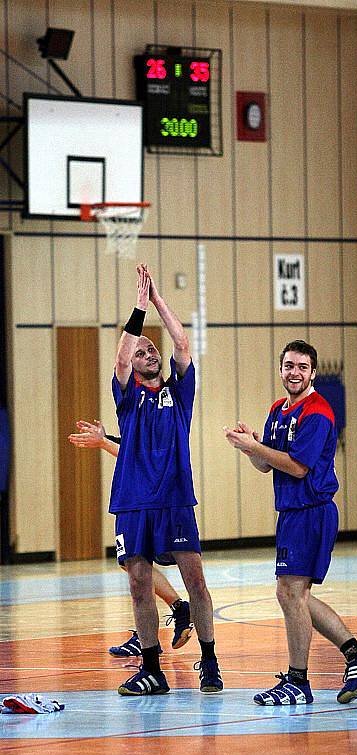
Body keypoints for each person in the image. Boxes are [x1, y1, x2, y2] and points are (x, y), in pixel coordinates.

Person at [224, 339, 357, 706]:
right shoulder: (278, 409)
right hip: (292, 513)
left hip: (312, 510)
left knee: (290, 593)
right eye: (289, 366)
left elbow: (297, 467)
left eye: (302, 367)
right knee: (295, 594)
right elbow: (266, 465)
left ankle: (298, 681)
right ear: (281, 369)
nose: (294, 372)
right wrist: (250, 447)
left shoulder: (318, 412)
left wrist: (255, 445)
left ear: (312, 373)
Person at [108, 263, 223, 697]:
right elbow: (119, 357)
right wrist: (138, 309)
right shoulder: (127, 397)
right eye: (141, 351)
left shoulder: (180, 391)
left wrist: (157, 300)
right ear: (133, 366)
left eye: (150, 349)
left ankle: (209, 660)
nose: (149, 352)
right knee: (139, 584)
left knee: (196, 582)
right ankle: (152, 669)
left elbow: (182, 341)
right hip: (134, 502)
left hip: (175, 499)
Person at [68, 420, 193, 657]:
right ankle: (164, 621)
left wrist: (104, 442)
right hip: (139, 499)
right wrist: (107, 439)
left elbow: (141, 458)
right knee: (132, 564)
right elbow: (132, 448)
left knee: (137, 565)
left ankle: (156, 633)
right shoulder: (140, 407)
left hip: (150, 501)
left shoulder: (157, 406)